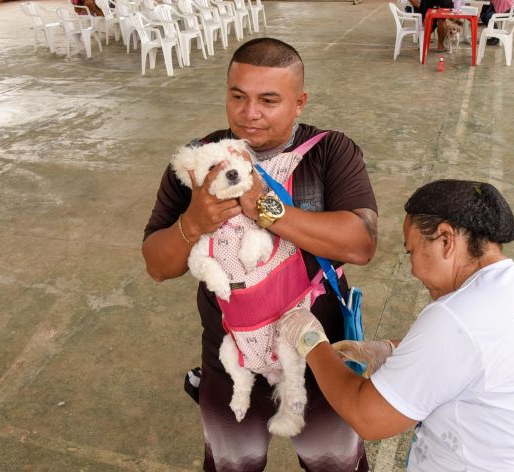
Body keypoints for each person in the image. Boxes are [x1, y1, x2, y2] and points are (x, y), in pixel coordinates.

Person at [142, 37, 378, 472]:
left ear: (299, 101)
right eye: (238, 97)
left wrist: (266, 208)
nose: (249, 114)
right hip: (230, 356)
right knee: (233, 463)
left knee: (335, 464)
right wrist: (193, 222)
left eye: (268, 100)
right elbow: (157, 266)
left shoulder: (330, 151)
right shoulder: (198, 161)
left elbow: (359, 243)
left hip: (319, 356)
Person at [279, 180, 514, 471]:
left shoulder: (456, 316)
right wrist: (392, 350)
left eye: (411, 251)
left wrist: (312, 343)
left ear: (446, 239)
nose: (412, 269)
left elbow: (367, 418)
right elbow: (484, 352)